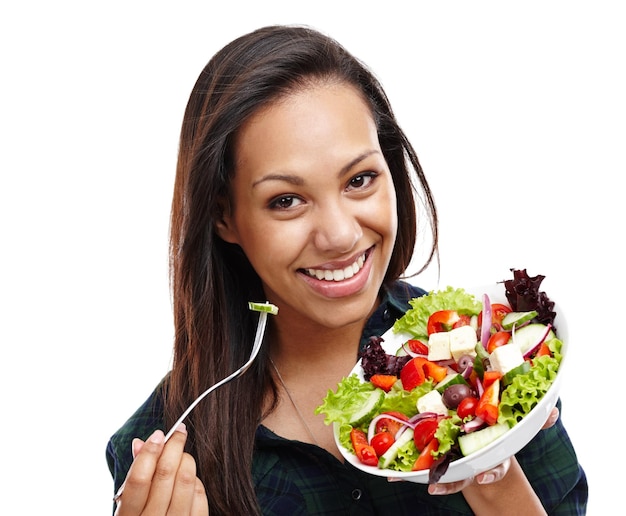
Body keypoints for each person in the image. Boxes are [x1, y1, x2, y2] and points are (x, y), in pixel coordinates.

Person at [106, 25, 587, 515]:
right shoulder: (163, 451)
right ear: (225, 216)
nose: (339, 235)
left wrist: (488, 471)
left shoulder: (494, 354)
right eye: (286, 200)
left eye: (360, 179)